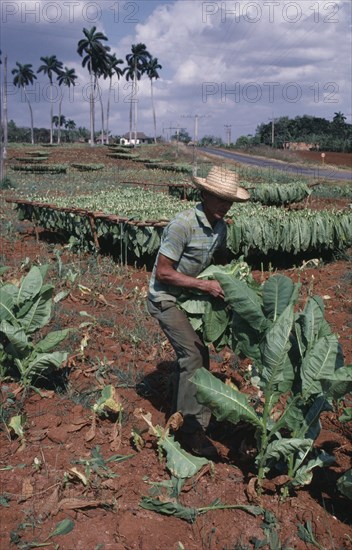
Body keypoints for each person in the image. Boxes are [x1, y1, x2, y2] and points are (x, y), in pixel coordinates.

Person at [147, 165, 250, 458]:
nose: (224, 206)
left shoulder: (221, 227)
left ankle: (194, 416)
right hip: (165, 297)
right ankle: (189, 429)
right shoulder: (182, 225)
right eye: (218, 198)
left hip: (190, 296)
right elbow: (164, 273)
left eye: (228, 201)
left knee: (201, 355)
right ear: (204, 193)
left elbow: (218, 261)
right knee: (192, 355)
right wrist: (205, 288)